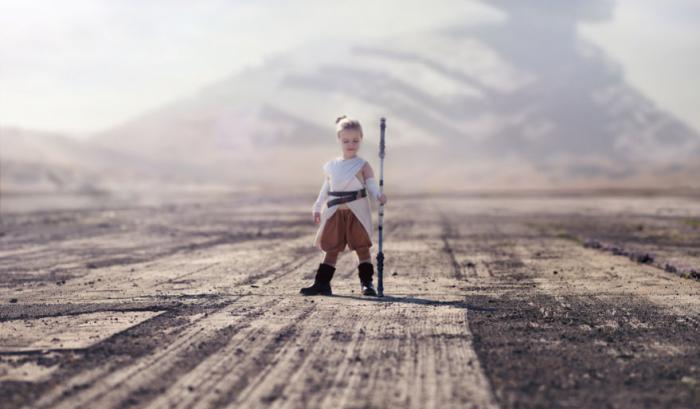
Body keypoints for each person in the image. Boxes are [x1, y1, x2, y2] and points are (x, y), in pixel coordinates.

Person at [300, 115, 388, 296]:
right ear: (339, 139)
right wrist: (317, 207)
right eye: (346, 140)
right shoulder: (332, 166)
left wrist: (378, 195)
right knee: (331, 249)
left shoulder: (362, 165)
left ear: (361, 140)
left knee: (362, 248)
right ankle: (322, 284)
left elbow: (371, 184)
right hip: (334, 212)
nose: (351, 144)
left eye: (355, 140)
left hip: (356, 212)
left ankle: (367, 284)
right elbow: (325, 189)